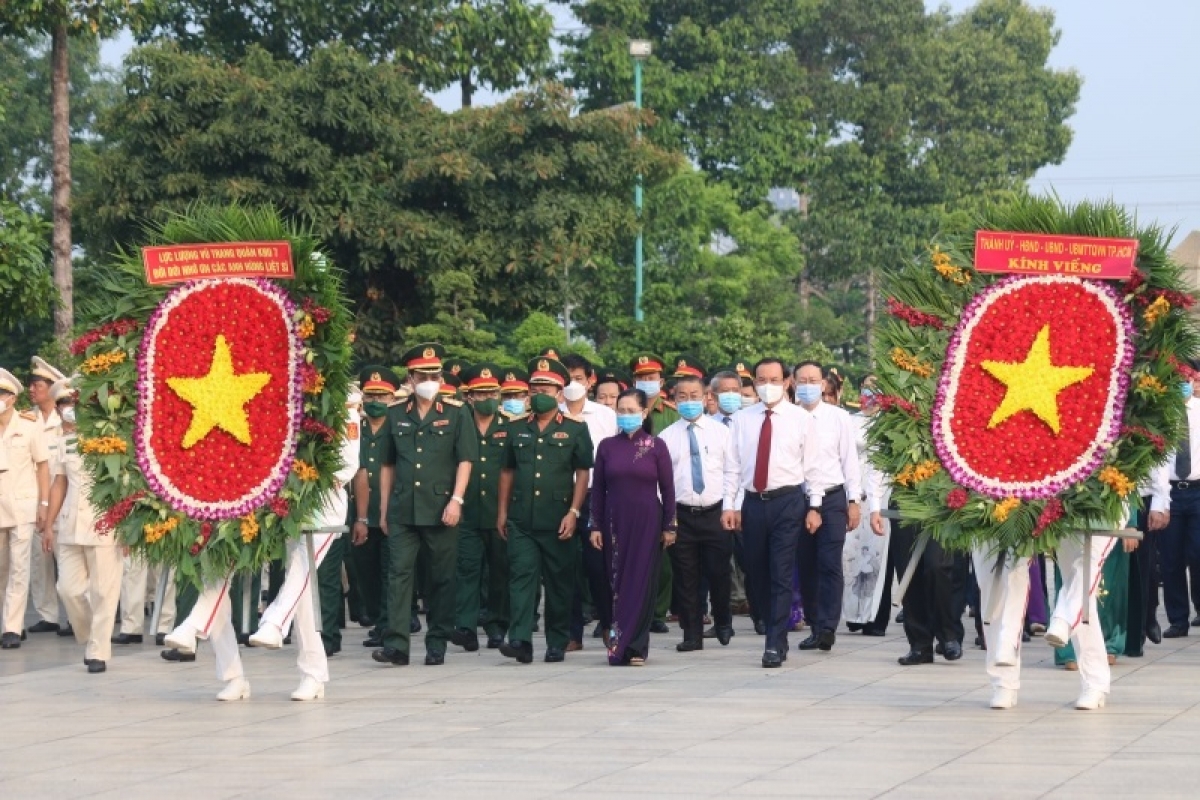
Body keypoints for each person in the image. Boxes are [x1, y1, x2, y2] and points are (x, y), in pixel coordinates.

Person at [371, 343, 476, 667]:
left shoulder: (456, 413)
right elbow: (387, 465)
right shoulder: (395, 414)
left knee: (441, 578)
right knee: (398, 574)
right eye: (423, 374)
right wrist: (385, 509)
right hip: (403, 508)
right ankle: (396, 644)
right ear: (410, 378)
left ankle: (437, 641)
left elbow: (466, 460)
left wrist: (456, 500)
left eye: (434, 374)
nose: (430, 379)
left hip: (441, 507)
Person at [497, 356, 593, 664]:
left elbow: (582, 473)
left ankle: (557, 641)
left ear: (560, 393)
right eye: (535, 387)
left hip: (558, 518)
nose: (540, 393)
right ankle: (521, 640)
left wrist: (574, 512)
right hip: (522, 518)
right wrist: (502, 512)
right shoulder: (515, 429)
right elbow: (507, 473)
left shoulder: (576, 429)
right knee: (521, 580)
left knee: (559, 583)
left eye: (547, 388)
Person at [729, 358, 822, 668]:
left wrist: (815, 506)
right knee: (757, 573)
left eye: (773, 379)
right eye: (760, 379)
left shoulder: (800, 419)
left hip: (788, 501)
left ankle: (774, 641)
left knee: (781, 571)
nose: (767, 385)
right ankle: (771, 627)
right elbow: (733, 465)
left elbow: (812, 467)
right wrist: (730, 505)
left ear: (786, 382)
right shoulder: (743, 419)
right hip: (754, 502)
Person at [590, 388, 676, 665]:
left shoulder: (656, 446)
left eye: (631, 411)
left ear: (643, 412)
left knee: (641, 581)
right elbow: (598, 490)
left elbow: (668, 489)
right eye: (621, 411)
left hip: (647, 521)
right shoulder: (606, 447)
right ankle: (617, 644)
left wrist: (669, 526)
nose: (625, 416)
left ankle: (637, 646)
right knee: (615, 581)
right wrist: (595, 526)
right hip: (614, 522)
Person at [42, 378, 123, 672]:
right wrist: (49, 524)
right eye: (63, 404)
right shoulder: (64, 442)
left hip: (103, 523)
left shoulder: (110, 438)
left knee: (104, 590)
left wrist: (125, 526)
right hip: (70, 524)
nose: (68, 409)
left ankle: (98, 651)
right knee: (69, 589)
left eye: (73, 403)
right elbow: (59, 483)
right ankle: (92, 637)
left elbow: (120, 486)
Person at [660, 363, 738, 651]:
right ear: (675, 399)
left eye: (695, 395)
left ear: (707, 397)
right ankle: (691, 633)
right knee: (686, 577)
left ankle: (723, 620)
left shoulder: (721, 433)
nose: (689, 401)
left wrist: (730, 507)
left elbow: (732, 472)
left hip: (715, 512)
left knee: (719, 572)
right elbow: (662, 483)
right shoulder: (666, 437)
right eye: (683, 396)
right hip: (682, 515)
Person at [792, 361, 861, 652]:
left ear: (823, 384)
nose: (808, 385)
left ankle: (829, 626)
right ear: (793, 384)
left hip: (833, 498)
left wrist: (854, 500)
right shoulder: (789, 417)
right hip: (798, 498)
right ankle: (815, 624)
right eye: (802, 380)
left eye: (813, 380)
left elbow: (850, 461)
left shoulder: (839, 417)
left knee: (829, 562)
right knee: (806, 565)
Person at [558, 352, 618, 652]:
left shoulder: (605, 415)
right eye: (566, 379)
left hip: (597, 497)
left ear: (590, 381)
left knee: (599, 566)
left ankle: (608, 624)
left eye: (578, 379)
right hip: (561, 498)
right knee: (565, 567)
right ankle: (571, 632)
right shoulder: (551, 413)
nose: (572, 385)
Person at [450, 362, 512, 651]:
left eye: (492, 392)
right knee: (467, 570)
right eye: (481, 393)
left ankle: (497, 625)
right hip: (468, 511)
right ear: (469, 396)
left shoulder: (510, 426)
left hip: (499, 512)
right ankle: (466, 626)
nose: (487, 398)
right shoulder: (458, 425)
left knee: (499, 571)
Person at [350, 366, 401, 649]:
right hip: (360, 513)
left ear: (393, 399)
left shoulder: (399, 428)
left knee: (389, 571)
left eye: (382, 397)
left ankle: (387, 625)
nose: (376, 402)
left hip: (391, 512)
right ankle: (375, 617)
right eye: (370, 396)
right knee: (364, 571)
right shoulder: (355, 429)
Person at [0, 367, 51, 649]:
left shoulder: (29, 426)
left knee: (20, 567)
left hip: (22, 506)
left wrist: (43, 504)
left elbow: (43, 467)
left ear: (12, 398)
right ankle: (9, 620)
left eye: (2, 393)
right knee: (2, 569)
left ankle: (11, 628)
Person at [629, 353, 679, 634]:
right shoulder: (626, 412)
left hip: (665, 491)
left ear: (661, 381)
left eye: (651, 378)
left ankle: (658, 611)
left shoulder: (671, 413)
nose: (646, 382)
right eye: (641, 378)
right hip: (634, 493)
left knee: (664, 560)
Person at [846, 380, 891, 637]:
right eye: (865, 387)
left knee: (878, 558)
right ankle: (853, 614)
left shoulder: (890, 423)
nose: (870, 394)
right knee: (851, 554)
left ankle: (876, 617)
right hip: (853, 493)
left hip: (881, 494)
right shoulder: (849, 421)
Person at [27, 356, 67, 635]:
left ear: (52, 388)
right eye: (30, 385)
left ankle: (77, 616)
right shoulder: (27, 420)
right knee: (39, 561)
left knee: (67, 559)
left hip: (63, 500)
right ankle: (47, 614)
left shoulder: (65, 420)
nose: (32, 389)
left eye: (37, 384)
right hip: (35, 499)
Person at [1159, 371, 1200, 638]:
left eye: (1188, 380)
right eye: (1178, 381)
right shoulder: (1161, 413)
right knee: (1171, 559)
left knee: (1198, 555)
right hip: (1170, 492)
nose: (1184, 385)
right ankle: (1177, 620)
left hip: (1198, 490)